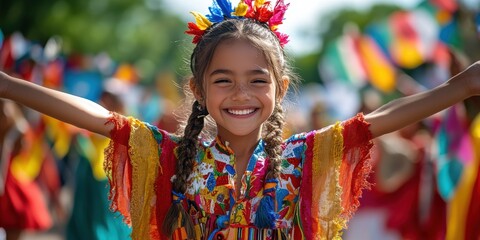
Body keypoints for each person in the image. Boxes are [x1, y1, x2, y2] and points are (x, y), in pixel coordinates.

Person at [0, 0, 479, 239]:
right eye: (224, 80)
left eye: (257, 80)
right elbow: (102, 120)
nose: (242, 94)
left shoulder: (303, 156)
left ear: (281, 89)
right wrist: (8, 84)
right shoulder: (169, 154)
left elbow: (375, 122)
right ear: (199, 92)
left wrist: (459, 88)